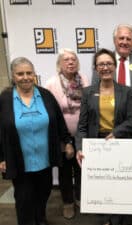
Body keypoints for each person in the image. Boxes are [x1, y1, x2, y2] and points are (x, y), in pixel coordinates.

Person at [0, 57, 74, 225]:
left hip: (44, 160)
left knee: (43, 194)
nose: (25, 77)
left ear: (34, 74)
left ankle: (40, 220)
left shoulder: (46, 95)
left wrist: (67, 141)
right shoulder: (4, 99)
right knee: (24, 199)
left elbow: (59, 121)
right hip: (19, 161)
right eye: (20, 74)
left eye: (29, 73)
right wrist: (1, 157)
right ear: (13, 76)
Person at [76, 48, 132, 225]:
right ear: (96, 68)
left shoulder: (126, 91)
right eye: (101, 64)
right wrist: (80, 147)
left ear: (115, 66)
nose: (105, 67)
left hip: (119, 143)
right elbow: (82, 125)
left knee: (120, 184)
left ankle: (120, 219)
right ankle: (106, 220)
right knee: (101, 186)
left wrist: (116, 132)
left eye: (109, 63)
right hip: (96, 146)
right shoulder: (88, 92)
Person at [45, 48, 89, 219]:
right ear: (59, 64)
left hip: (82, 133)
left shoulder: (84, 79)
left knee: (80, 169)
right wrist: (66, 141)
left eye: (73, 59)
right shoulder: (51, 84)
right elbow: (51, 114)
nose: (70, 62)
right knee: (64, 171)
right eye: (66, 60)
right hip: (62, 135)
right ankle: (68, 203)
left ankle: (79, 198)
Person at [91, 24, 132, 135]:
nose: (124, 42)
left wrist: (131, 111)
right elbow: (95, 88)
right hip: (107, 122)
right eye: (121, 38)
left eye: (128, 39)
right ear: (114, 40)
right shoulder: (103, 60)